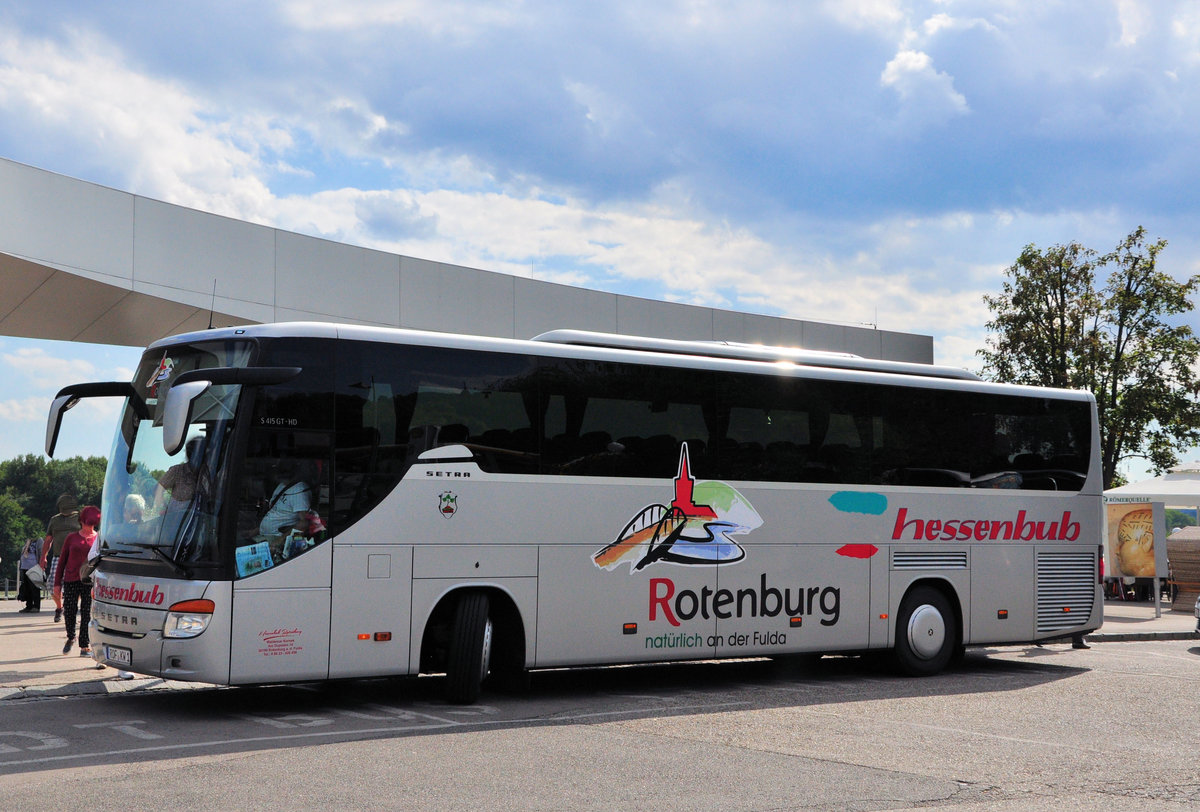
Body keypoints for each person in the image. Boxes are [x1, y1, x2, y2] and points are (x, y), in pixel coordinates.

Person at [55, 504, 99, 656]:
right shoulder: (71, 538)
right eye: (87, 522)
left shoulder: (98, 538)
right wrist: (57, 584)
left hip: (89, 580)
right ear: (81, 521)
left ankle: (84, 644)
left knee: (87, 612)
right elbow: (62, 561)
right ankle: (71, 636)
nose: (89, 526)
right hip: (71, 578)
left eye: (92, 523)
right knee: (70, 610)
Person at [258, 458, 312, 557]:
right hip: (265, 536)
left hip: (277, 540)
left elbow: (304, 523)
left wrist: (279, 541)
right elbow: (276, 513)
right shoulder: (282, 485)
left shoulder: (300, 492)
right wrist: (254, 531)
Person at [40, 493, 81, 624]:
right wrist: (43, 557)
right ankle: (59, 607)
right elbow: (48, 540)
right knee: (52, 586)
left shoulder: (80, 518)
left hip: (77, 558)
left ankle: (72, 606)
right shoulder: (54, 520)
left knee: (79, 586)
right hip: (58, 557)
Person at [17, 536, 42, 613]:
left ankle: (36, 606)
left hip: (34, 567)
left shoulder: (39, 541)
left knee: (34, 588)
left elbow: (41, 552)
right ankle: (29, 606)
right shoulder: (27, 541)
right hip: (24, 567)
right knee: (26, 587)